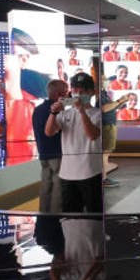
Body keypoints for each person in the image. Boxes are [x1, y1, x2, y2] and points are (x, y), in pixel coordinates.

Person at [44, 72, 103, 213]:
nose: (79, 93)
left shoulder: (98, 114)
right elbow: (49, 132)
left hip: (91, 172)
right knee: (70, 216)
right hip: (67, 174)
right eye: (76, 90)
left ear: (92, 92)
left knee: (94, 214)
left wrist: (82, 111)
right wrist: (53, 113)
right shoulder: (66, 113)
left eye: (84, 90)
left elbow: (92, 135)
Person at [32, 79, 67, 213]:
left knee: (45, 185)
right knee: (58, 186)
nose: (67, 95)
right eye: (65, 92)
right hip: (57, 153)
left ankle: (44, 214)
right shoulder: (57, 111)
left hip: (43, 153)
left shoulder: (38, 110)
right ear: (59, 94)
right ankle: (55, 216)